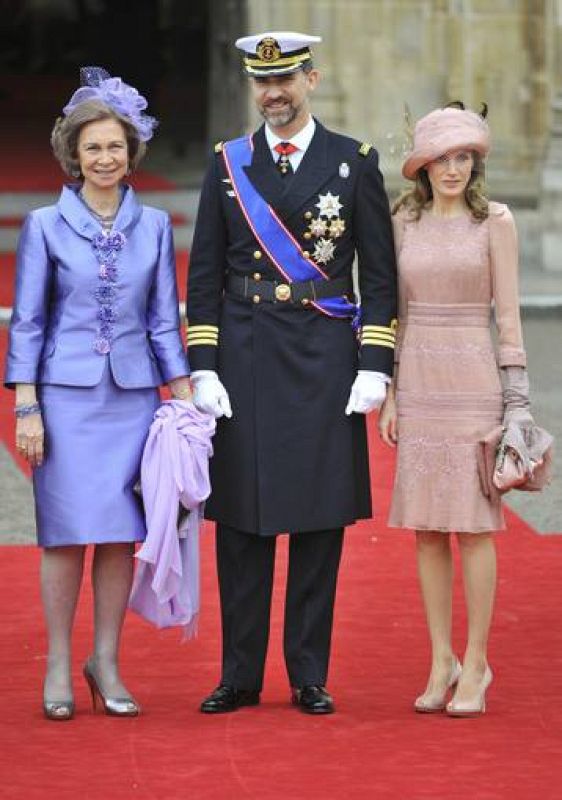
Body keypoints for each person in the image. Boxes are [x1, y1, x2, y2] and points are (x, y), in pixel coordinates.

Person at [187, 32, 397, 714]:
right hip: (244, 356)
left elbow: (380, 277)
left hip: (321, 357)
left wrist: (374, 363)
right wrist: (203, 365)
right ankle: (239, 674)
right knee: (242, 524)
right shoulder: (228, 164)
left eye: (285, 79)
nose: (272, 93)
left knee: (318, 519)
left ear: (312, 78)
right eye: (261, 82)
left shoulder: (353, 163)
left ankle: (309, 672)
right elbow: (205, 275)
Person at [4, 66, 190, 721]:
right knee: (64, 536)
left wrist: (186, 399)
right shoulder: (46, 226)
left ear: (131, 151)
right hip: (64, 399)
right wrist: (26, 404)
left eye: (115, 146)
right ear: (73, 156)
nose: (105, 158)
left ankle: (105, 661)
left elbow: (165, 319)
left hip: (135, 399)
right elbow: (28, 321)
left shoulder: (157, 227)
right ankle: (58, 661)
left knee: (119, 536)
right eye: (93, 149)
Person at [379, 103, 533, 717]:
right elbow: (395, 313)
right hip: (418, 376)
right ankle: (440, 658)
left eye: (464, 156)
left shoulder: (496, 221)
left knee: (473, 528)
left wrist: (517, 399)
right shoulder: (404, 220)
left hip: (474, 379)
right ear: (423, 165)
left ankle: (476, 662)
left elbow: (511, 316)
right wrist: (391, 389)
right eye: (443, 157)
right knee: (426, 530)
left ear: (476, 161)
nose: (454, 168)